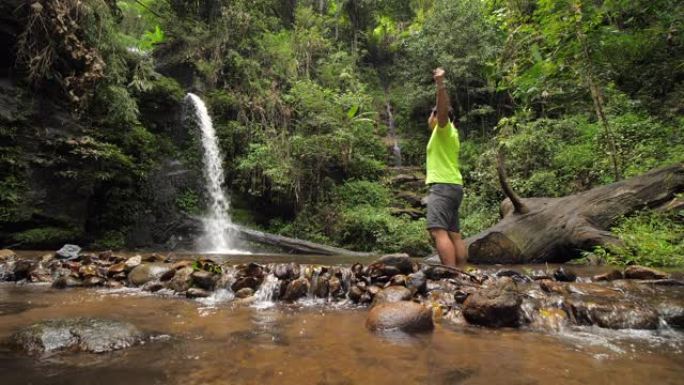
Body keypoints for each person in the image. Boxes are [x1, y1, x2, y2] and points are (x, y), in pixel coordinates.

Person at [425, 67, 466, 267]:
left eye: (430, 115)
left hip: (442, 186)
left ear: (435, 116)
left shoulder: (444, 129)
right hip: (454, 186)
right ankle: (462, 271)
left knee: (438, 231)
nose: (429, 119)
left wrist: (440, 84)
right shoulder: (452, 135)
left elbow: (442, 111)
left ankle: (451, 273)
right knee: (454, 234)